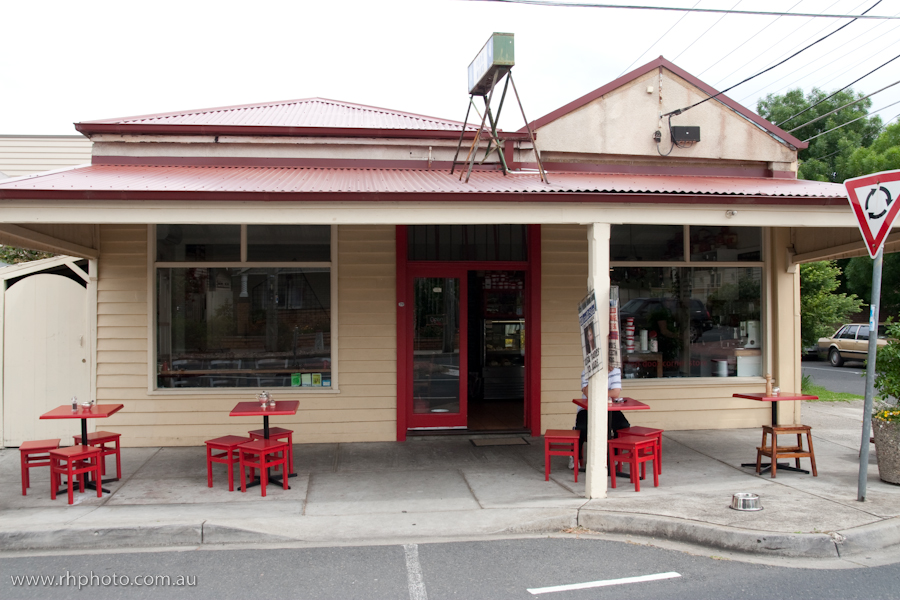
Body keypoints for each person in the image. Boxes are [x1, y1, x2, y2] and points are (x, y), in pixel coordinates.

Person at [569, 364, 626, 470]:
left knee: (623, 425)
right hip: (587, 408)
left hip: (610, 408)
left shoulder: (615, 371)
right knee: (582, 428)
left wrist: (597, 392)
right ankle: (575, 456)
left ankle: (616, 455)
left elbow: (616, 393)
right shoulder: (587, 371)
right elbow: (587, 393)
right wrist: (595, 374)